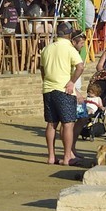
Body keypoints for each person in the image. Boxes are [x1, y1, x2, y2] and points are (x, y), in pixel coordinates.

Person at [39, 21, 86, 166]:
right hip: (64, 89)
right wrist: (72, 81)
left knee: (51, 123)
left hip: (48, 89)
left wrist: (46, 80)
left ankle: (51, 156)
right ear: (69, 34)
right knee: (67, 123)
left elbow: (42, 69)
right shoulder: (69, 48)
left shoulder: (47, 48)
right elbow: (80, 66)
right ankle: (67, 157)